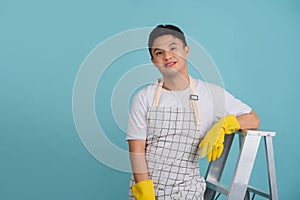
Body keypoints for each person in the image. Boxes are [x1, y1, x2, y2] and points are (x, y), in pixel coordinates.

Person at [126, 24, 260, 200]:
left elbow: (253, 119)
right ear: (153, 61)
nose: (167, 56)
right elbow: (137, 152)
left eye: (173, 48)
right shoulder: (144, 97)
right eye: (159, 53)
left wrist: (224, 124)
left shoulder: (210, 94)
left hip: (187, 191)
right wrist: (145, 195)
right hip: (146, 191)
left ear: (186, 50)